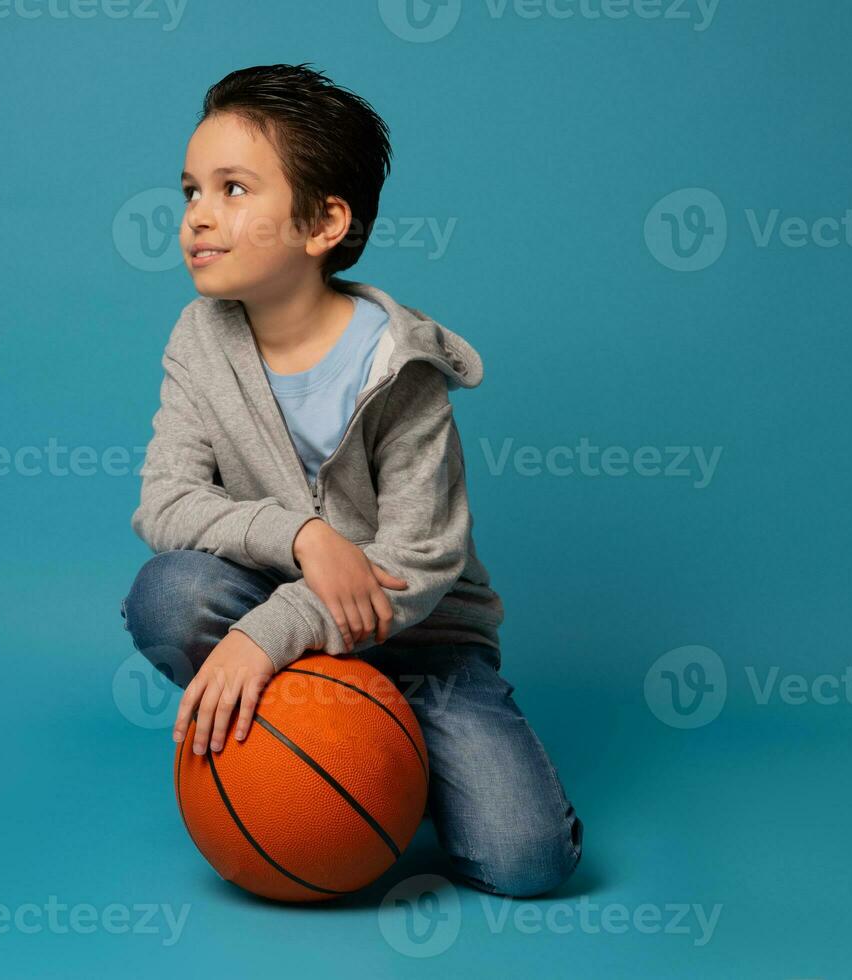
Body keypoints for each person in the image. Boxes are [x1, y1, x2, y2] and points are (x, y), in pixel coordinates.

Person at [121, 63, 581, 899]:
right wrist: (302, 538)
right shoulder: (199, 338)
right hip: (272, 596)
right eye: (190, 190)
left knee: (527, 863)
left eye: (232, 190)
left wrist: (278, 629)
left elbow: (421, 557)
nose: (196, 216)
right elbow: (165, 502)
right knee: (168, 596)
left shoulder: (400, 366)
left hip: (419, 642)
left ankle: (389, 753)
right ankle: (317, 727)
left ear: (323, 222)